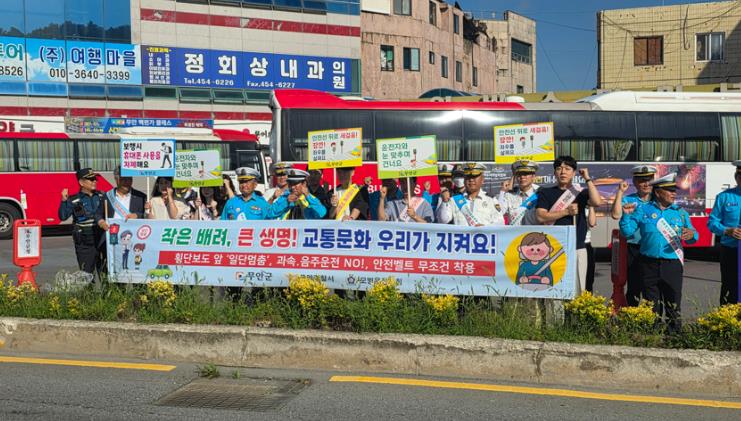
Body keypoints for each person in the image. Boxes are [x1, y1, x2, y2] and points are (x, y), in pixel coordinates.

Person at [620, 173, 697, 332]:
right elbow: (627, 232)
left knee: (673, 301)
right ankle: (652, 334)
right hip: (648, 264)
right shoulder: (643, 210)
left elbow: (693, 235)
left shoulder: (680, 212)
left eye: (674, 190)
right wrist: (626, 216)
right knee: (651, 303)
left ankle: (674, 334)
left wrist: (692, 235)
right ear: (658, 192)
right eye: (669, 190)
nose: (673, 194)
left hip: (672, 264)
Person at [535, 156, 603, 294]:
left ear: (573, 173)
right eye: (559, 169)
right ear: (554, 173)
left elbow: (597, 202)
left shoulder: (580, 193)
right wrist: (566, 212)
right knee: (555, 288)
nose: (563, 172)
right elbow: (540, 216)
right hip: (553, 248)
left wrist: (587, 179)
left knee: (579, 288)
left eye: (567, 169)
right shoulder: (545, 192)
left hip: (577, 246)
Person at [611, 165, 657, 305]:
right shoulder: (629, 199)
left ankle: (651, 315)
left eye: (649, 180)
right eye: (642, 181)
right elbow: (616, 215)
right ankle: (632, 315)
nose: (646, 184)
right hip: (634, 247)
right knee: (634, 287)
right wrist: (620, 192)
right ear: (635, 182)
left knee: (651, 287)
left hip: (653, 247)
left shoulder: (658, 200)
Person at [58, 168, 105, 275]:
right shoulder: (74, 200)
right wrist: (64, 200)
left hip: (101, 239)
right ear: (81, 182)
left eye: (95, 179)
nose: (94, 181)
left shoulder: (102, 196)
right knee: (86, 274)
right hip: (85, 242)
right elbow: (63, 216)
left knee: (105, 272)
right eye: (91, 179)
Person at [707, 161, 741, 305]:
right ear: (736, 177)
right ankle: (727, 316)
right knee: (729, 286)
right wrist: (727, 230)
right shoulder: (724, 197)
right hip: (730, 250)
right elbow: (712, 223)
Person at [435, 163, 505, 226]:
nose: (471, 179)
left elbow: (500, 223)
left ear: (482, 179)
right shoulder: (454, 200)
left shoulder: (491, 200)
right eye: (468, 176)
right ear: (464, 180)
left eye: (475, 176)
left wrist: (485, 228)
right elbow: (442, 220)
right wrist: (444, 202)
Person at [500, 159, 540, 226]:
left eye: (526, 174)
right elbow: (499, 212)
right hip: (514, 232)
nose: (522, 177)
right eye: (519, 174)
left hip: (533, 232)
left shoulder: (540, 194)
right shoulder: (509, 195)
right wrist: (503, 191)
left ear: (533, 176)